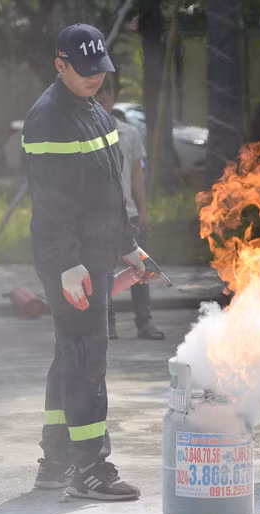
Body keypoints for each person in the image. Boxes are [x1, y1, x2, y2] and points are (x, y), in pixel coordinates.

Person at [24, 23, 142, 500]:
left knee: (70, 355)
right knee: (86, 360)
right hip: (70, 262)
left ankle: (55, 460)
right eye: (86, 71)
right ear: (60, 65)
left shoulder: (92, 109)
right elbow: (51, 203)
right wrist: (67, 264)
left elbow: (109, 192)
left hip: (93, 253)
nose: (97, 78)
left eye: (101, 70)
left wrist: (127, 244)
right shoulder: (49, 117)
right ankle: (90, 469)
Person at [95, 74, 164, 341]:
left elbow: (138, 176)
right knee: (103, 272)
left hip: (129, 214)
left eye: (107, 93)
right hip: (99, 217)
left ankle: (144, 323)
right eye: (98, 93)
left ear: (113, 97)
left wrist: (144, 213)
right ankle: (107, 324)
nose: (103, 98)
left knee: (140, 269)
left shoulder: (129, 132)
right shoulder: (85, 134)